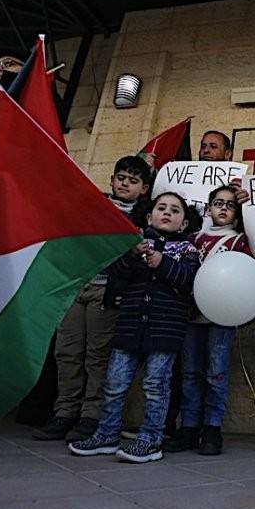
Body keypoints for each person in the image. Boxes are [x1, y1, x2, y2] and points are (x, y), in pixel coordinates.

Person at [69, 192, 200, 463]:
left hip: (165, 331)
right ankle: (106, 434)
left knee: (155, 384)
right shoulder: (135, 244)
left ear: (184, 223)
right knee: (115, 382)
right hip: (129, 326)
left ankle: (151, 439)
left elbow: (189, 281)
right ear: (149, 216)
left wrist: (163, 263)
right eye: (161, 207)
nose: (167, 212)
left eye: (175, 210)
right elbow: (116, 275)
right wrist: (130, 256)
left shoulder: (188, 249)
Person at [32, 156, 151, 442]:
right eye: (121, 177)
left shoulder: (142, 219)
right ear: (111, 180)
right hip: (74, 287)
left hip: (107, 291)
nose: (125, 183)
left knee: (98, 357)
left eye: (133, 180)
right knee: (67, 352)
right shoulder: (89, 206)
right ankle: (64, 413)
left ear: (144, 188)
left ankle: (91, 415)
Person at [165, 185, 252, 455]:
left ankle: (212, 427)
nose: (223, 208)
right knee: (190, 372)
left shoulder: (240, 242)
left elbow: (246, 278)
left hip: (222, 317)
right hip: (191, 315)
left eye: (229, 204)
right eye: (218, 203)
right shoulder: (192, 239)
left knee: (216, 372)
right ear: (208, 208)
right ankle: (189, 426)